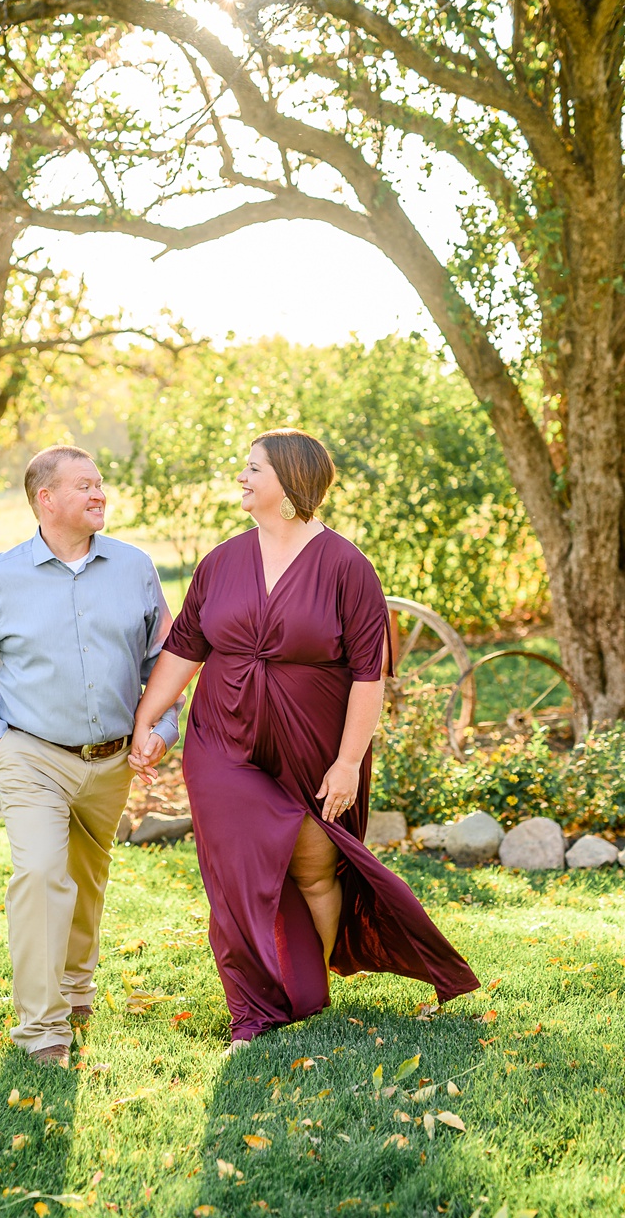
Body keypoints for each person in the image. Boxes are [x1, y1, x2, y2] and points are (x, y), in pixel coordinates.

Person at [130, 428, 479, 1050]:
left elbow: (369, 678)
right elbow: (185, 649)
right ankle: (255, 1010)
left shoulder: (349, 568)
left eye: (252, 469)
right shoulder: (222, 561)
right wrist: (146, 723)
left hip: (315, 742)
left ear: (289, 486)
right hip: (223, 737)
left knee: (316, 869)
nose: (240, 477)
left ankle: (307, 990)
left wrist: (348, 763)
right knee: (236, 872)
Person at [0, 444, 180, 1066]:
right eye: (84, 485)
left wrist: (163, 724)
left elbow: (165, 661)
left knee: (86, 879)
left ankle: (76, 990)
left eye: (101, 483)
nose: (100, 493)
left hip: (112, 760)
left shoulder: (135, 568)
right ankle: (41, 1029)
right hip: (32, 754)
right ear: (45, 499)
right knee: (42, 875)